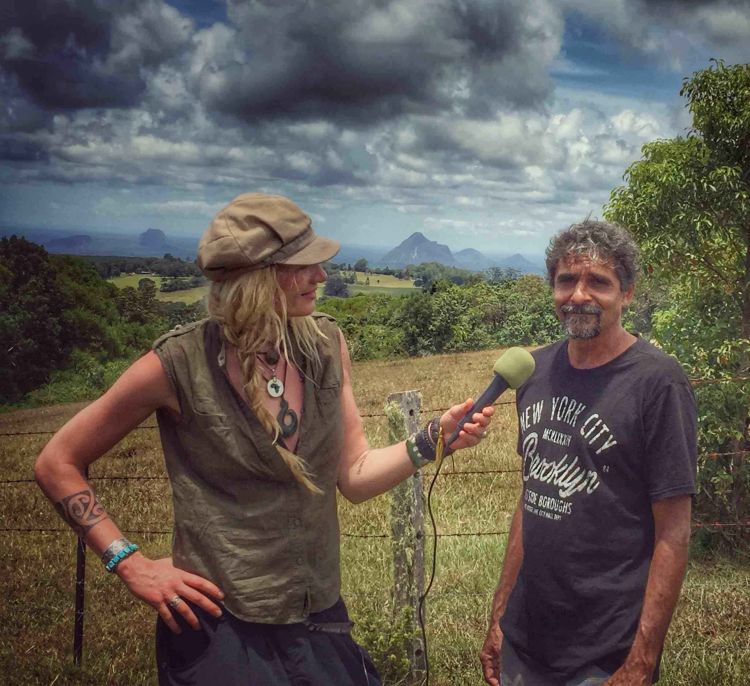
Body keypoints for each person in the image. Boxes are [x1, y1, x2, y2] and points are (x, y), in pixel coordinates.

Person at [35, 192, 494, 686]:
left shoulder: (324, 345)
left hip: (318, 617)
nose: (322, 275)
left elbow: (355, 476)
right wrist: (129, 563)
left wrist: (432, 439)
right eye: (305, 265)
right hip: (218, 631)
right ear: (258, 277)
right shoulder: (177, 364)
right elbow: (56, 462)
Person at [480, 220, 697, 686]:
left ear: (628, 293)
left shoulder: (657, 383)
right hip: (526, 637)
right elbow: (530, 494)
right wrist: (499, 618)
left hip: (605, 652)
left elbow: (674, 532)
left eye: (598, 281)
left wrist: (640, 662)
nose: (579, 295)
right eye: (566, 280)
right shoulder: (533, 371)